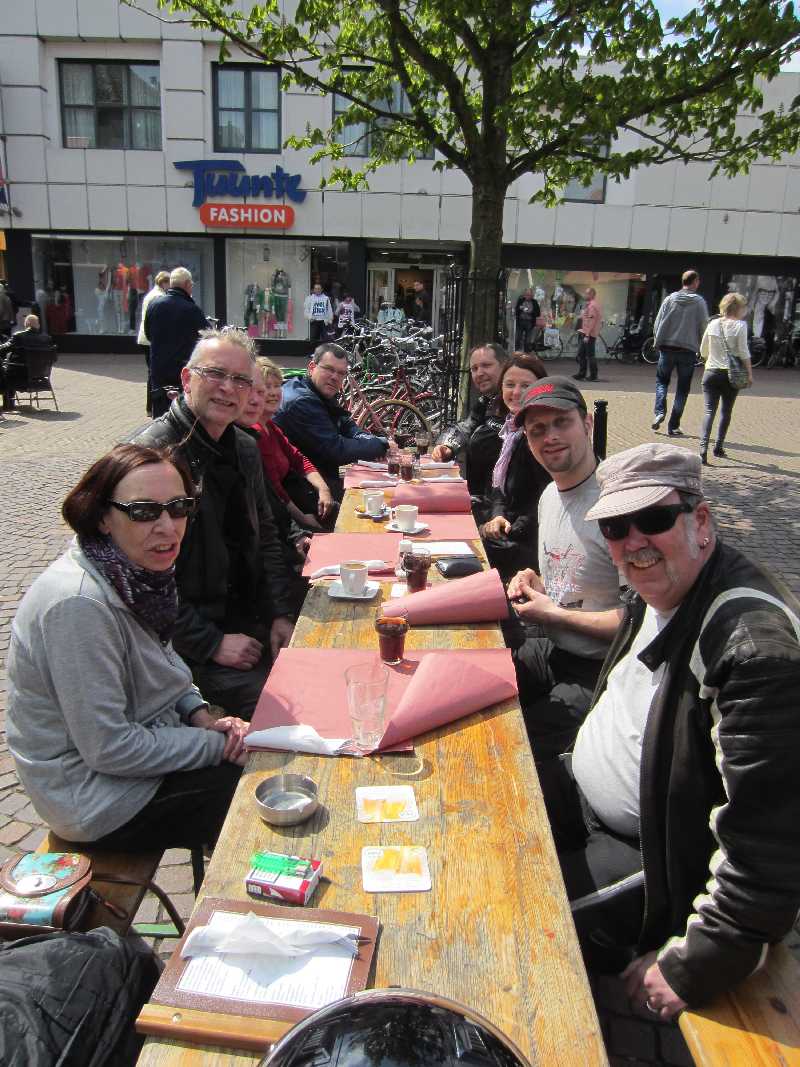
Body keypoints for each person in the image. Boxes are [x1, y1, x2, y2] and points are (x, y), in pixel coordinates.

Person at [539, 442, 800, 1018]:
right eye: (614, 526)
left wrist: (697, 962)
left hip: (651, 859)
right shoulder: (660, 586)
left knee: (523, 921)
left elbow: (772, 848)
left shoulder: (754, 650)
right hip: (584, 797)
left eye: (654, 519)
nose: (633, 541)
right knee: (480, 813)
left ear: (700, 520)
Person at [6, 443, 247, 850]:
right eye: (144, 512)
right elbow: (109, 748)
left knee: (255, 766)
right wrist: (216, 745)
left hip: (136, 753)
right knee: (254, 790)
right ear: (103, 517)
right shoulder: (79, 605)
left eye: (178, 507)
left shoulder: (135, 572)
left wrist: (198, 712)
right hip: (94, 798)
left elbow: (165, 662)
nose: (168, 527)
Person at [130, 328, 296, 719]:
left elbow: (267, 536)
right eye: (215, 374)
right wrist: (211, 643)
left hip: (247, 621)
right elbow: (132, 580)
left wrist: (279, 613)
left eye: (240, 379)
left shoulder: (244, 447)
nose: (228, 388)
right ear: (187, 379)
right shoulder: (151, 457)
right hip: (180, 647)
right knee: (284, 709)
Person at [506, 377, 625, 761]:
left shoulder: (618, 507)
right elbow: (575, 589)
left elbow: (639, 621)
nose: (550, 437)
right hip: (554, 650)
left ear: (587, 424)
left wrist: (552, 613)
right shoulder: (549, 496)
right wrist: (536, 583)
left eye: (562, 423)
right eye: (537, 430)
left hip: (601, 671)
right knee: (478, 679)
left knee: (515, 747)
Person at [274, 343, 390, 500]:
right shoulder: (302, 401)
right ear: (311, 367)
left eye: (341, 373)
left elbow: (347, 425)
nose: (335, 377)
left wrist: (372, 441)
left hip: (316, 480)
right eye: (328, 369)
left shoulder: (316, 391)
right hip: (302, 490)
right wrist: (381, 444)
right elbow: (336, 450)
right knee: (377, 499)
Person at [478, 353, 551, 580]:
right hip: (509, 531)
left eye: (526, 386)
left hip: (534, 547)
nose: (516, 392)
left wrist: (508, 528)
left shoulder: (542, 435)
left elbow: (547, 499)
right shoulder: (510, 430)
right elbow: (498, 488)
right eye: (510, 385)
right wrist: (498, 516)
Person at [249, 357, 336, 529]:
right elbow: (275, 490)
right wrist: (303, 519)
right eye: (267, 387)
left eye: (277, 385)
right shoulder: (257, 431)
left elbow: (298, 459)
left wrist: (323, 490)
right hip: (285, 517)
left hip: (299, 500)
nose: (274, 392)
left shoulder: (271, 426)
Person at [431, 342, 507, 506]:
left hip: (504, 506)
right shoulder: (486, 400)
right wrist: (447, 446)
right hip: (483, 499)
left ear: (504, 367)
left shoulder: (512, 402)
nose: (479, 373)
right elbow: (467, 426)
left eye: (486, 365)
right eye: (474, 368)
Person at [144, 266, 208, 418]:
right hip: (180, 371)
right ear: (186, 284)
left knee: (160, 417)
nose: (191, 287)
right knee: (182, 416)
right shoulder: (191, 309)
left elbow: (148, 334)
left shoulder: (154, 304)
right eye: (191, 284)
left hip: (158, 370)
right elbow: (207, 335)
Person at [651, 270, 709, 437]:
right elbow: (704, 327)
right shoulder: (699, 303)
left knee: (662, 382)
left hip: (667, 348)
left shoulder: (669, 299)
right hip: (688, 350)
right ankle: (674, 425)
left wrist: (657, 340)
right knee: (682, 389)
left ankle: (659, 412)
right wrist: (702, 349)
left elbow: (658, 322)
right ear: (695, 282)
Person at [698, 292, 752, 465]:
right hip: (731, 375)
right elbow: (743, 352)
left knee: (708, 411)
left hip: (711, 372)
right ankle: (718, 446)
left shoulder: (713, 323)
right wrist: (750, 373)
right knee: (726, 411)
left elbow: (703, 349)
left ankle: (702, 448)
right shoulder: (740, 326)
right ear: (738, 308)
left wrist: (709, 359)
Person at [0, 313, 55, 411]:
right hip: (42, 375)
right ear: (38, 325)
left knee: (4, 370)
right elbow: (54, 358)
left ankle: (8, 404)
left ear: (26, 325)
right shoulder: (47, 338)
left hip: (21, 375)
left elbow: (4, 349)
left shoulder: (19, 336)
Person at [137, 269, 170, 416]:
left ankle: (150, 407)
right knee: (153, 373)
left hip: (146, 338)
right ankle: (151, 407)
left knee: (151, 372)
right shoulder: (158, 296)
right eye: (169, 283)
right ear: (164, 283)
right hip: (150, 340)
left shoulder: (153, 294)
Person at [574, 287, 601, 382]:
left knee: (590, 355)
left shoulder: (592, 306)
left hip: (588, 334)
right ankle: (582, 374)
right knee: (582, 354)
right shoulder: (589, 305)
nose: (585, 295)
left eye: (587, 294)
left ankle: (593, 376)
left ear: (592, 295)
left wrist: (587, 335)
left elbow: (591, 321)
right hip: (585, 332)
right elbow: (586, 318)